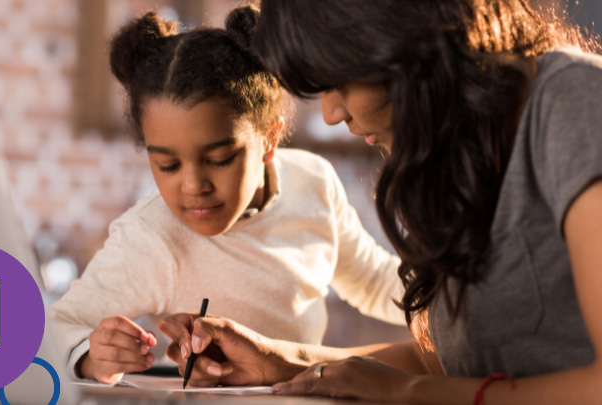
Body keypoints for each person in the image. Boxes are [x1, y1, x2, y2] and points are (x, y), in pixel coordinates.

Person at [158, 0, 602, 402]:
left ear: (397, 37)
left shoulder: (574, 102)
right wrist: (281, 362)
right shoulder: (456, 154)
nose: (333, 114)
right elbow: (447, 366)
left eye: (336, 82)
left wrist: (411, 393)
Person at [48, 5, 406, 385]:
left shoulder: (312, 181)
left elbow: (374, 282)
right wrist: (88, 354)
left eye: (219, 159)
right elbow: (55, 326)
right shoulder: (151, 238)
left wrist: (455, 299)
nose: (192, 186)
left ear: (269, 137)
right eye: (168, 166)